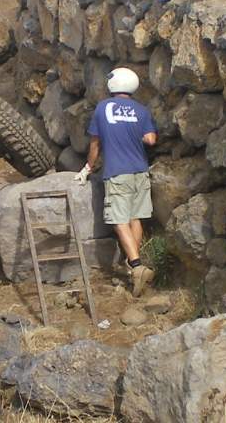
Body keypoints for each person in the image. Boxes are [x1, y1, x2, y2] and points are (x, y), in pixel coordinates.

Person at [75, 67, 157, 297]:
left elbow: (95, 144)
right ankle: (133, 265)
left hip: (117, 173)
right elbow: (151, 139)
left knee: (118, 220)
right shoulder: (142, 110)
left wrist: (88, 167)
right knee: (135, 217)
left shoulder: (103, 108)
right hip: (140, 172)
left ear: (113, 84)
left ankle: (137, 266)